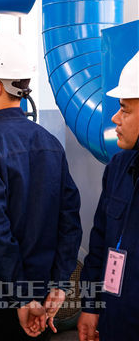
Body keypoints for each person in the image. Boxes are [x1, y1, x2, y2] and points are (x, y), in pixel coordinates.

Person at [0, 31, 82, 340]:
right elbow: (70, 221)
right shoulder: (49, 143)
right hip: (37, 298)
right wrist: (58, 286)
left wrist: (23, 296)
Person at [77, 51, 139, 341]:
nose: (115, 117)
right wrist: (91, 306)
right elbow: (100, 243)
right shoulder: (118, 167)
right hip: (114, 321)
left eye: (125, 109)